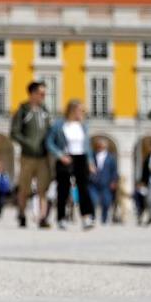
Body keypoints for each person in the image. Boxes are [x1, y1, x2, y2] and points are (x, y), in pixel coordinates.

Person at [46, 99, 96, 231]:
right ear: (72, 110)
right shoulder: (59, 125)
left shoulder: (84, 126)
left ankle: (86, 217)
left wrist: (90, 161)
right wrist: (60, 155)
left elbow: (87, 146)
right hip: (65, 158)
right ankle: (61, 218)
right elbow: (49, 142)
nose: (83, 113)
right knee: (63, 189)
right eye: (81, 110)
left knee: (83, 189)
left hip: (81, 158)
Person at [11, 81, 53, 229]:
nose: (44, 96)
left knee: (43, 188)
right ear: (32, 94)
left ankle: (42, 217)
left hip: (42, 157)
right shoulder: (23, 111)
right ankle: (21, 214)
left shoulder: (45, 111)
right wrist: (28, 143)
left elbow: (49, 130)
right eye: (41, 93)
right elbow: (14, 133)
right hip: (27, 156)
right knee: (24, 188)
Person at [91, 138, 118, 225]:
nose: (99, 146)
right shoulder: (92, 155)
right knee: (93, 200)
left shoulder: (111, 158)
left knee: (106, 201)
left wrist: (114, 181)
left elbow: (114, 170)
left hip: (106, 182)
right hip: (93, 181)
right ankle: (92, 217)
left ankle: (104, 218)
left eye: (101, 145)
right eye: (98, 145)